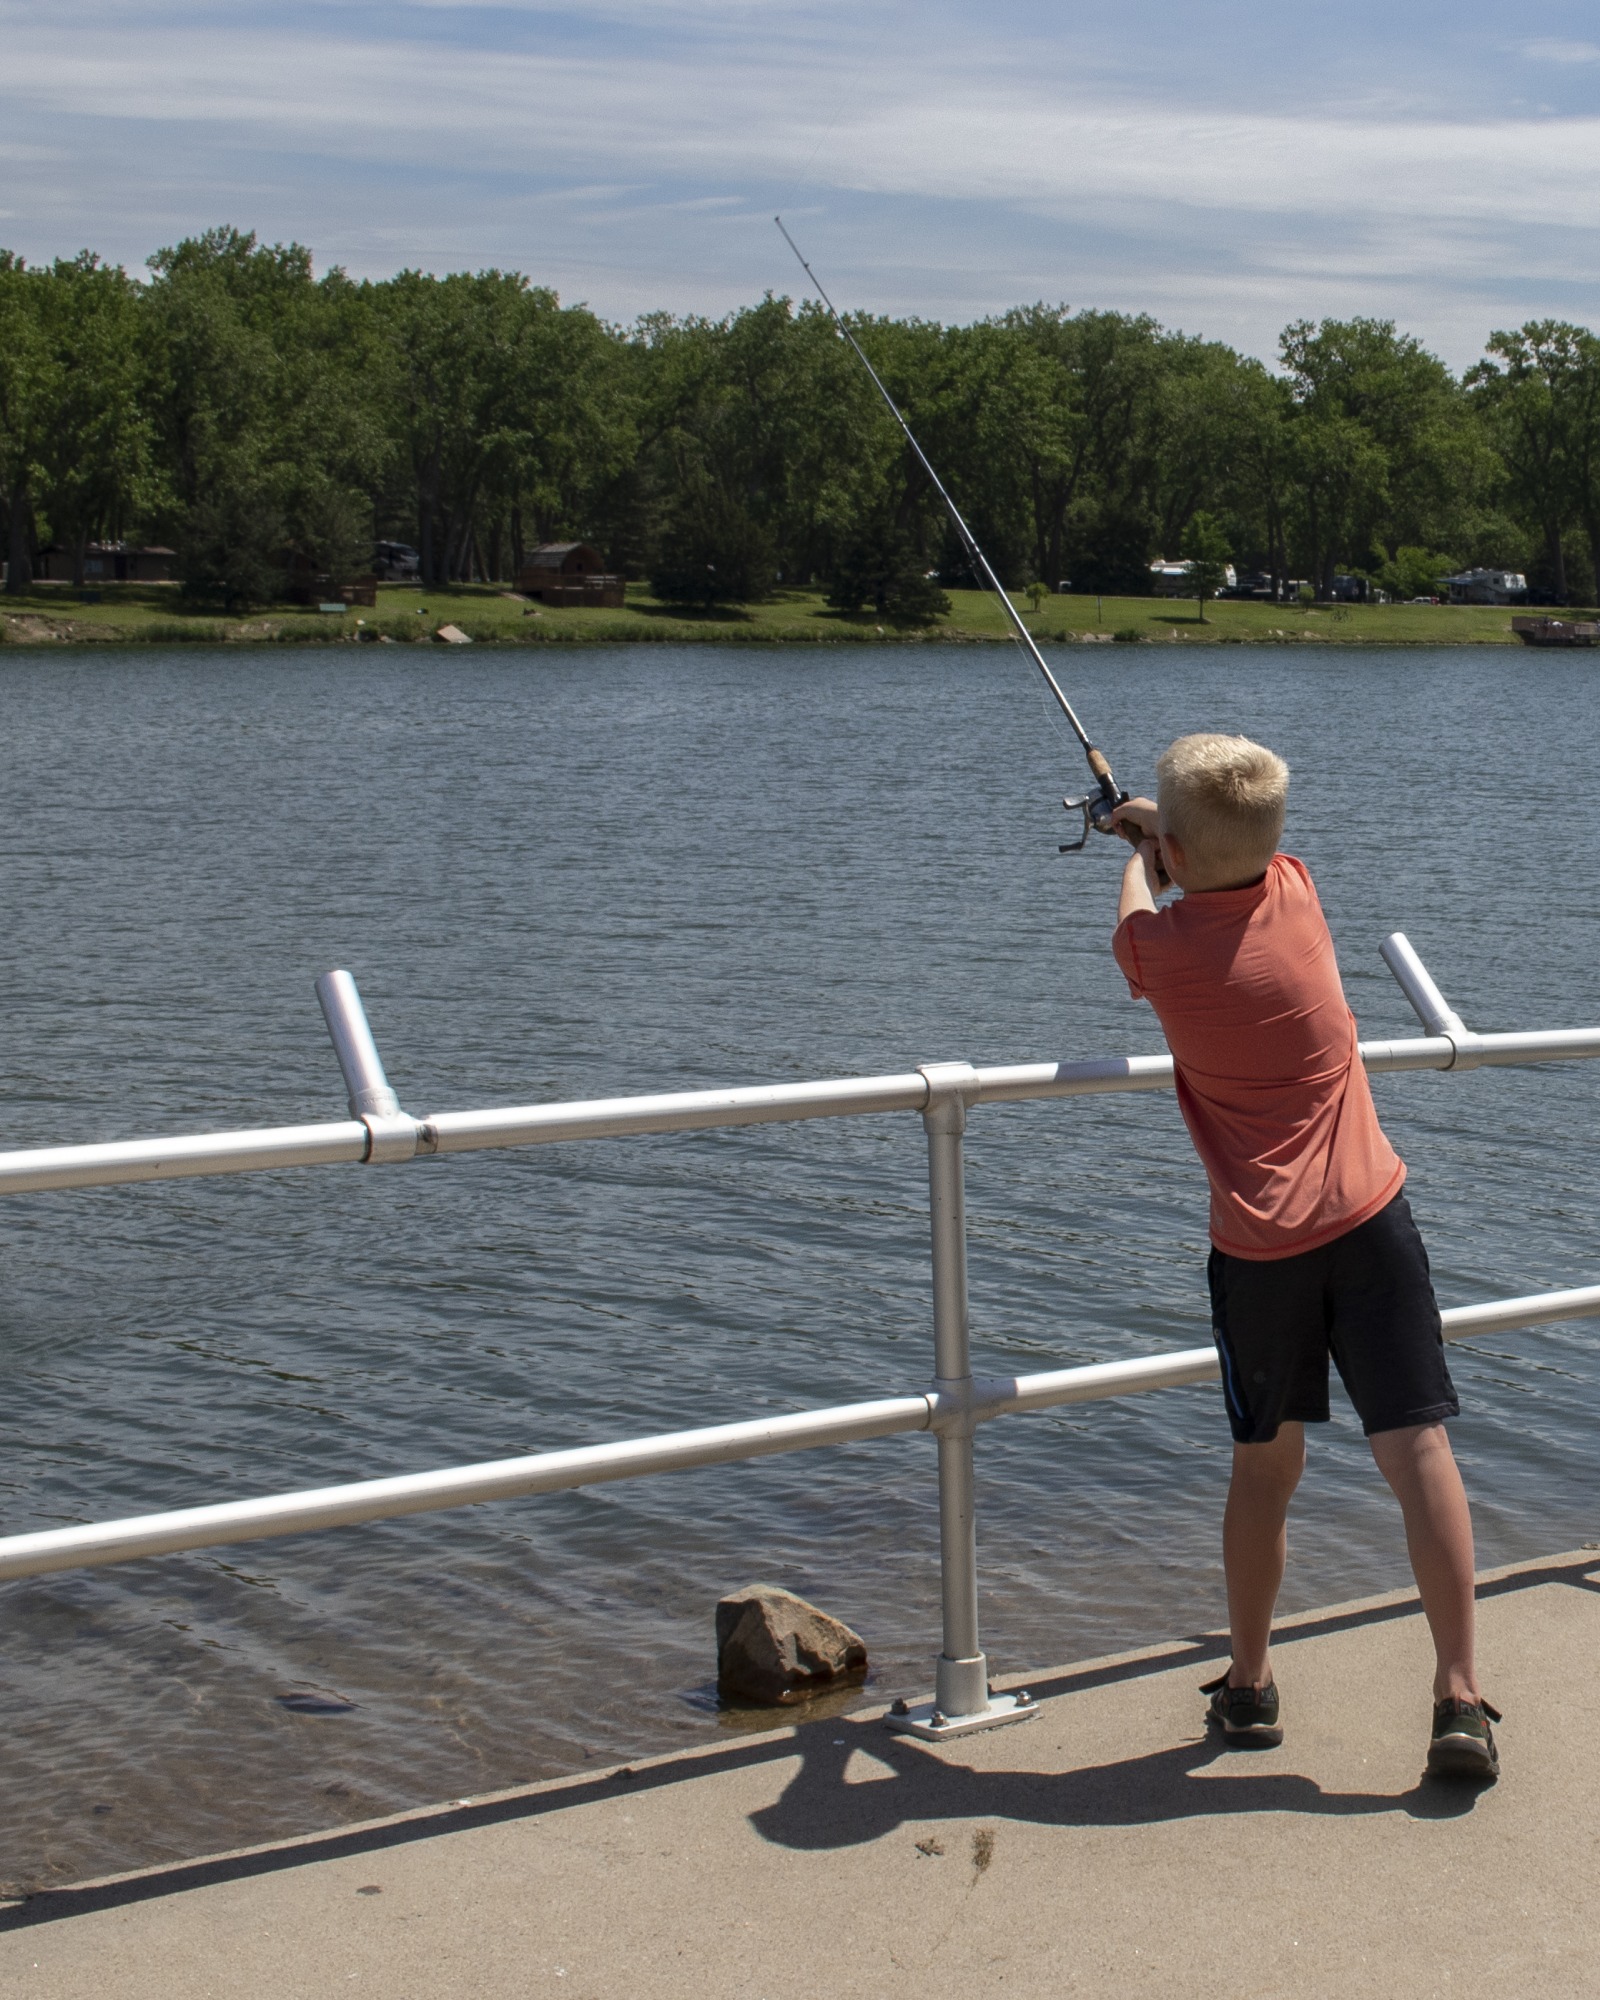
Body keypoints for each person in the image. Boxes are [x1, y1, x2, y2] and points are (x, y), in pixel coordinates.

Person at [1110, 733, 1500, 1780]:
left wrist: (1128, 838)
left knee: (1263, 1467)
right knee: (1419, 1454)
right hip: (1373, 1220)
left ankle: (1248, 1681)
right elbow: (1215, 863)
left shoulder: (1161, 953)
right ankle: (1459, 1696)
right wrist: (1162, 824)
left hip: (1259, 1250)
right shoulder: (1297, 892)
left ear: (1180, 851)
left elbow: (1139, 912)